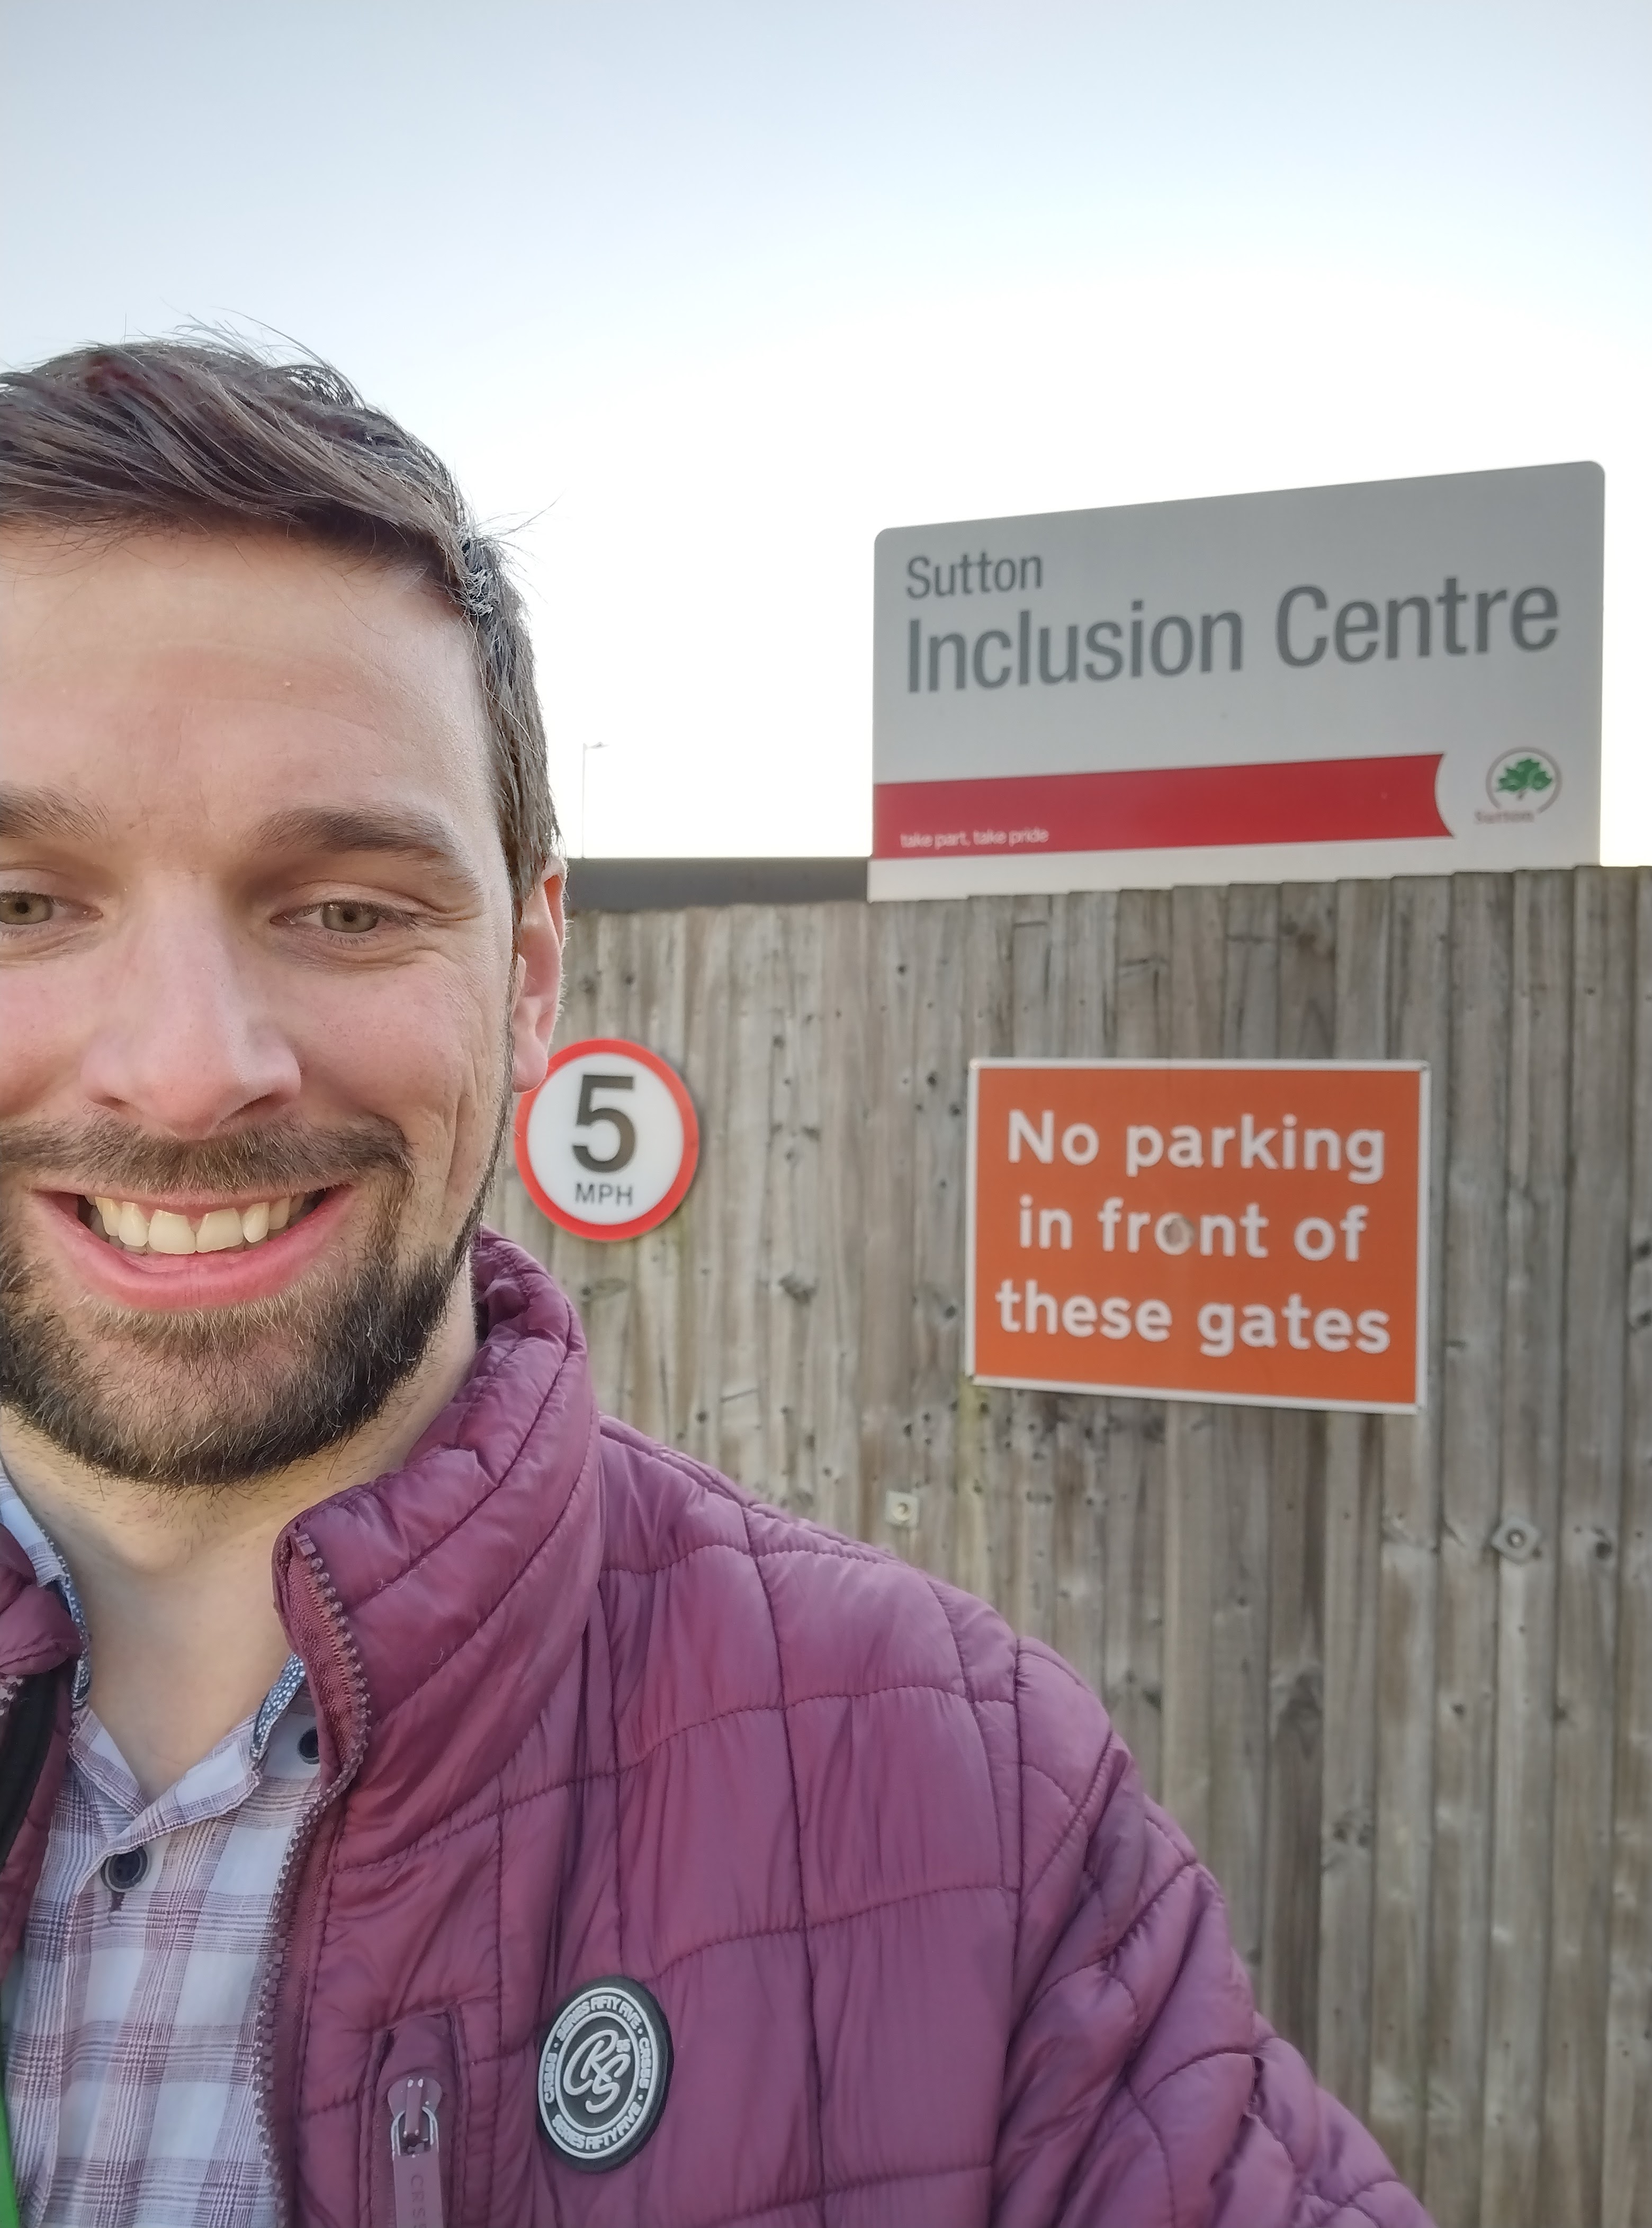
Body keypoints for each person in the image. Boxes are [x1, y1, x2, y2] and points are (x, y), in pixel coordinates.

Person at [0, 338, 1430, 2228]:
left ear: (531, 972)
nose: (188, 1069)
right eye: (23, 904)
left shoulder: (977, 1806)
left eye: (346, 906)